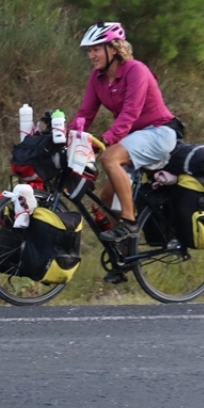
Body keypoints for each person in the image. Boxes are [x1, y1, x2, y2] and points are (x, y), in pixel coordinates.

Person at [73, 21, 179, 244]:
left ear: (113, 48)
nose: (91, 56)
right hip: (133, 139)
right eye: (89, 51)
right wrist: (68, 136)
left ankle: (129, 222)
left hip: (159, 132)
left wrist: (107, 139)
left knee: (109, 157)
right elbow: (86, 112)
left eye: (96, 49)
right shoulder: (97, 77)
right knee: (106, 198)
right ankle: (121, 259)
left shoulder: (136, 70)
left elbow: (131, 112)